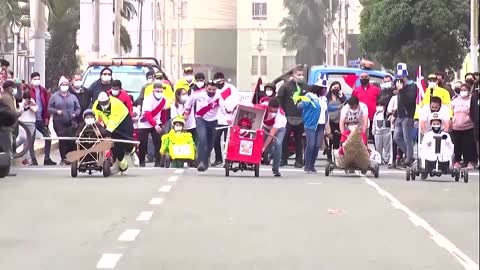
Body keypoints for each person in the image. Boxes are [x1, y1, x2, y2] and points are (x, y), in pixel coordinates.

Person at [184, 80, 226, 172]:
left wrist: (228, 118)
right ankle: (200, 162)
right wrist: (186, 112)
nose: (211, 91)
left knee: (210, 143)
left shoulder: (219, 96)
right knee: (202, 139)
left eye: (213, 90)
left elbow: (223, 108)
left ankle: (205, 159)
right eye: (209, 89)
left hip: (213, 121)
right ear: (206, 87)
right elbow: (189, 101)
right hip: (200, 119)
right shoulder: (198, 94)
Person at [92, 92, 135, 174]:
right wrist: (96, 128)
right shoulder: (96, 105)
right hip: (109, 124)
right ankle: (121, 166)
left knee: (125, 140)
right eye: (102, 103)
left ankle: (132, 151)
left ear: (109, 99)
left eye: (105, 103)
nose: (103, 105)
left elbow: (113, 122)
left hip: (123, 121)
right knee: (115, 146)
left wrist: (107, 132)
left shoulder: (116, 105)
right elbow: (95, 117)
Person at [297, 77, 329, 173]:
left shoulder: (325, 99)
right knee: (311, 144)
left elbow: (326, 111)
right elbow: (301, 106)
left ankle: (312, 165)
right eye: (323, 89)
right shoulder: (310, 96)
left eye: (325, 89)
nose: (325, 90)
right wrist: (301, 103)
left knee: (317, 145)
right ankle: (307, 166)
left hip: (321, 124)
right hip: (310, 124)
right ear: (318, 88)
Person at [277, 66, 308, 167]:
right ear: (293, 75)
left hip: (301, 118)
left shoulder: (306, 87)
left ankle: (299, 161)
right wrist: (283, 115)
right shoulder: (285, 87)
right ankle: (283, 159)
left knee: (299, 140)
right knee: (284, 139)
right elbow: (280, 101)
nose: (301, 77)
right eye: (299, 75)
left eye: (302, 75)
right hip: (288, 118)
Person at [48, 76, 81, 165]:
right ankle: (63, 158)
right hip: (59, 122)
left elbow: (78, 108)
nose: (65, 86)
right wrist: (56, 111)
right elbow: (49, 108)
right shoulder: (54, 96)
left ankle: (70, 157)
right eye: (63, 84)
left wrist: (75, 114)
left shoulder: (73, 97)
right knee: (62, 140)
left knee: (71, 140)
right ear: (60, 85)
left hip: (70, 122)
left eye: (66, 84)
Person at [137, 82, 169, 167]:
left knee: (158, 142)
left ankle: (158, 161)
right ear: (153, 90)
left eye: (161, 91)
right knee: (143, 143)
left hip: (157, 122)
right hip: (145, 123)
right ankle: (142, 161)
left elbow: (164, 112)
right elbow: (148, 115)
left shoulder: (163, 99)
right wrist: (155, 125)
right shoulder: (148, 99)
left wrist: (163, 123)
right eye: (157, 91)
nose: (159, 93)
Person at [211, 72, 240, 167]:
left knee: (228, 141)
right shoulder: (213, 89)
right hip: (218, 119)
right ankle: (218, 158)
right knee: (215, 139)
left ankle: (228, 160)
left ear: (223, 79)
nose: (218, 82)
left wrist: (230, 108)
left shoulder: (231, 88)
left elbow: (237, 100)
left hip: (229, 119)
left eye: (220, 79)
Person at [29, 72, 56, 165]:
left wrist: (47, 117)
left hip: (41, 119)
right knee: (30, 140)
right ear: (31, 80)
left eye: (38, 79)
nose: (37, 81)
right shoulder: (28, 90)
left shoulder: (43, 91)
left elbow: (47, 104)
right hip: (31, 120)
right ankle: (33, 159)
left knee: (48, 137)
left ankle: (47, 158)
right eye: (35, 79)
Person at [393, 63, 417, 167]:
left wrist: (401, 90)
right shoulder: (398, 86)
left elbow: (409, 100)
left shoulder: (412, 86)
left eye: (401, 77)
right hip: (400, 115)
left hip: (408, 115)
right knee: (396, 137)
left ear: (405, 76)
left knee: (407, 138)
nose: (399, 79)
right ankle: (409, 155)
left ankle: (408, 158)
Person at [451, 83, 476, 170]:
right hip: (456, 127)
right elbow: (451, 111)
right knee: (457, 146)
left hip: (468, 127)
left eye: (465, 90)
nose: (463, 92)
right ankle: (457, 161)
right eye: (462, 90)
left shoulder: (471, 100)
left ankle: (469, 162)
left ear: (469, 91)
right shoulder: (455, 100)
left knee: (468, 146)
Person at [420, 114, 454, 178]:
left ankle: (445, 168)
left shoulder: (445, 135)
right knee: (426, 160)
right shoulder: (428, 135)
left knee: (446, 159)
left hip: (443, 157)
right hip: (430, 156)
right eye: (434, 124)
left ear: (441, 124)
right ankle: (425, 171)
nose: (436, 125)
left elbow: (450, 146)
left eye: (437, 123)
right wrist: (428, 144)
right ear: (431, 124)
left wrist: (447, 143)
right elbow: (424, 146)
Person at [261, 98, 287, 177]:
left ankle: (276, 169)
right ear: (268, 106)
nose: (273, 113)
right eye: (272, 111)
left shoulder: (280, 115)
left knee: (278, 144)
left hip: (279, 129)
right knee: (260, 142)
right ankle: (264, 157)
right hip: (266, 126)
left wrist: (263, 148)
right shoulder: (263, 106)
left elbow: (271, 134)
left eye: (275, 111)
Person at [352, 71, 381, 139]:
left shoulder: (375, 89)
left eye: (366, 77)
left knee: (374, 138)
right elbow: (353, 103)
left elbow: (380, 101)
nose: (364, 78)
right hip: (360, 118)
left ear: (369, 78)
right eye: (362, 77)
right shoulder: (356, 90)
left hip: (373, 118)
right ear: (359, 78)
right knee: (361, 138)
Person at [325, 81, 346, 161]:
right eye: (334, 87)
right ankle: (329, 155)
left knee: (337, 139)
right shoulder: (327, 97)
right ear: (331, 88)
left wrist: (341, 95)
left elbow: (345, 103)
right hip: (329, 121)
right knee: (330, 138)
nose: (336, 89)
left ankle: (336, 156)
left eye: (338, 88)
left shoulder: (340, 97)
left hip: (339, 121)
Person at [18, 90, 39, 165]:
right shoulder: (20, 101)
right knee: (23, 139)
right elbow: (19, 111)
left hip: (31, 122)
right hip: (22, 123)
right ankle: (23, 157)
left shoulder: (31, 101)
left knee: (30, 141)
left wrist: (31, 105)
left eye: (28, 98)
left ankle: (30, 159)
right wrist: (24, 105)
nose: (27, 100)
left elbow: (36, 110)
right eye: (26, 98)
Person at [372, 100, 391, 165]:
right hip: (378, 133)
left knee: (386, 147)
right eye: (378, 105)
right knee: (378, 147)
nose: (379, 107)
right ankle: (379, 159)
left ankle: (386, 159)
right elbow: (374, 123)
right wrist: (373, 131)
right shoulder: (376, 114)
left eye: (381, 105)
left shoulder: (387, 113)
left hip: (386, 132)